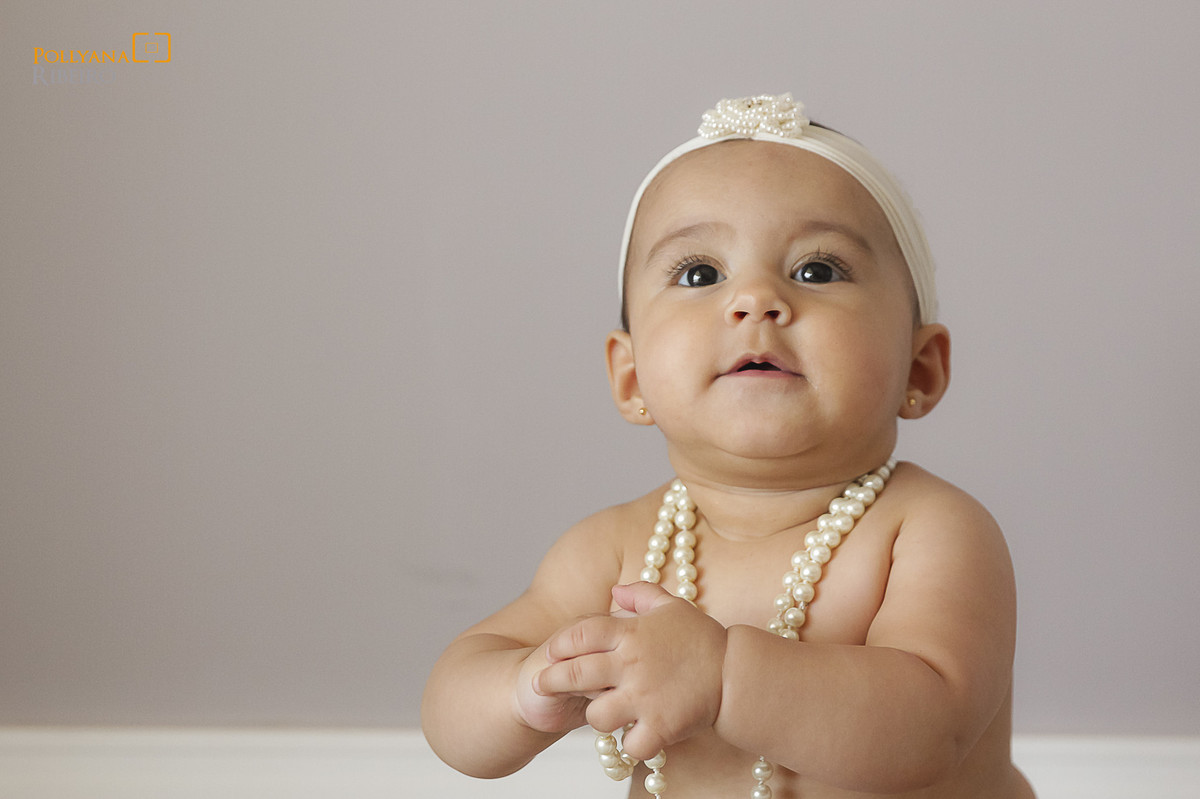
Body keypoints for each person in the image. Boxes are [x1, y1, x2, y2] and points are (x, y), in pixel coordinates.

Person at [422, 93, 1034, 798]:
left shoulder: (928, 532)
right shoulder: (614, 550)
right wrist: (526, 689)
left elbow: (931, 727)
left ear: (918, 370)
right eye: (700, 274)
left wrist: (722, 677)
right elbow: (453, 703)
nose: (755, 299)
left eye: (817, 269)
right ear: (631, 378)